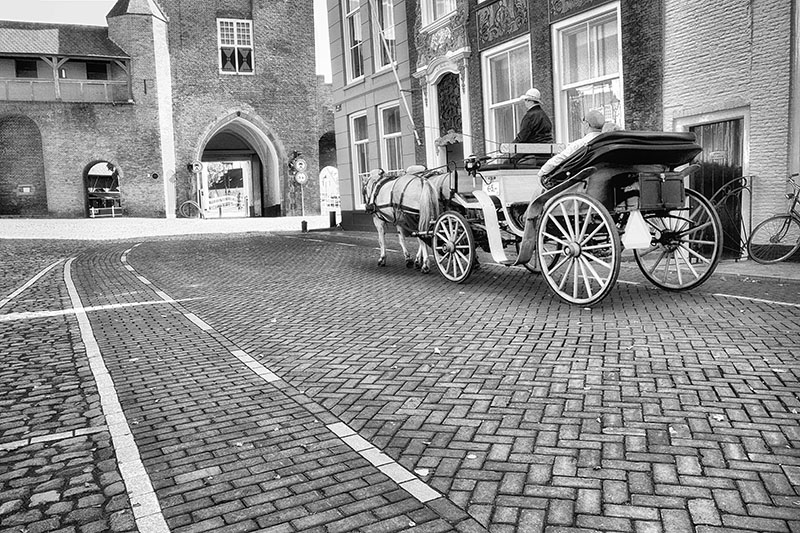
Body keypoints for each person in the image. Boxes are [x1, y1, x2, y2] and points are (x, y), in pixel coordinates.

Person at [537, 109, 606, 178]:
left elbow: (558, 159)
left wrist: (542, 172)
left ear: (586, 125)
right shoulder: (608, 143)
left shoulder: (580, 144)